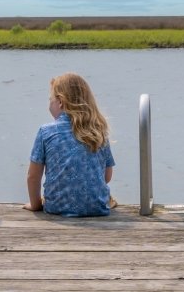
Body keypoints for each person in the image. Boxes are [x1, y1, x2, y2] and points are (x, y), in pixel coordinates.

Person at [23, 72, 116, 217]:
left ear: (60, 102)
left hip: (56, 207)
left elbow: (33, 177)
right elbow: (107, 176)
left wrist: (35, 205)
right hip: (97, 207)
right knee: (108, 198)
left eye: (50, 100)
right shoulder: (99, 131)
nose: (49, 104)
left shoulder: (46, 132)